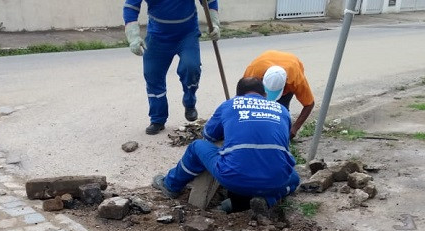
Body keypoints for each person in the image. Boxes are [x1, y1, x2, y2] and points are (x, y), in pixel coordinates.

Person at [152, 77, 300, 210]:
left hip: (233, 178)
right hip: (276, 180)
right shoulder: (282, 110)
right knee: (294, 177)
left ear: (238, 96)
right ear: (265, 95)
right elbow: (282, 144)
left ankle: (171, 185)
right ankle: (266, 199)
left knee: (196, 147)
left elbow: (209, 135)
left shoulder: (230, 105)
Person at [123, 0, 221, 135]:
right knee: (152, 74)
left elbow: (210, 1)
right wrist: (133, 36)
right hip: (157, 36)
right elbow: (130, 8)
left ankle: (189, 102)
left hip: (187, 35)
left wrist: (215, 24)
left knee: (191, 67)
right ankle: (158, 119)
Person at [243, 50, 315, 139]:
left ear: (286, 82)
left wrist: (294, 129)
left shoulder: (295, 79)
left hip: (292, 67)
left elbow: (309, 104)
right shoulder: (253, 72)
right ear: (261, 79)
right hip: (264, 64)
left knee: (281, 110)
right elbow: (243, 98)